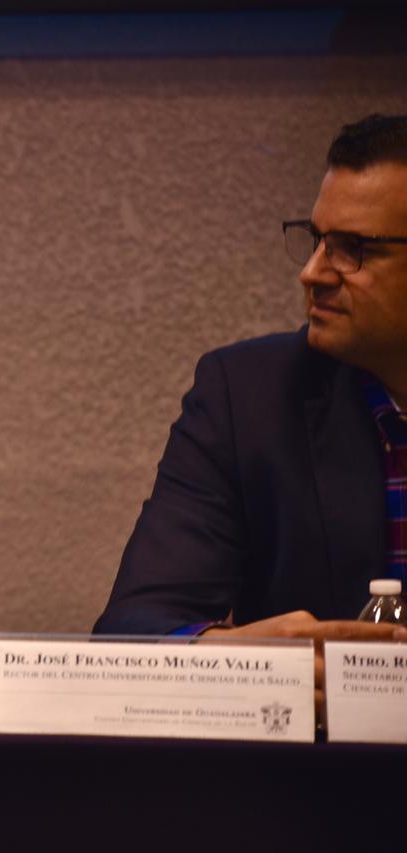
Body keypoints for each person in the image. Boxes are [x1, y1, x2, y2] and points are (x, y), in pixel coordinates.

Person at [96, 114, 407, 657]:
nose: (312, 272)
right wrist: (237, 656)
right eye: (316, 240)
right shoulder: (247, 398)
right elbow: (133, 629)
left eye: (352, 248)